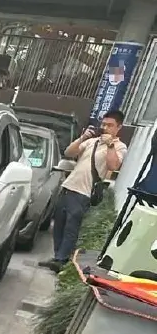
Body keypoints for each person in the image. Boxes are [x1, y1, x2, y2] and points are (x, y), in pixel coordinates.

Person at [41, 109, 128, 272]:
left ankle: (62, 259)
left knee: (71, 228)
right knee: (58, 225)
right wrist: (83, 137)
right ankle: (57, 257)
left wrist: (110, 144)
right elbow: (68, 152)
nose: (105, 127)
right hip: (68, 186)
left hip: (84, 193)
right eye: (103, 124)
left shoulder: (119, 147)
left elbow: (113, 165)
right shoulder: (92, 142)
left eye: (110, 125)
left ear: (118, 127)